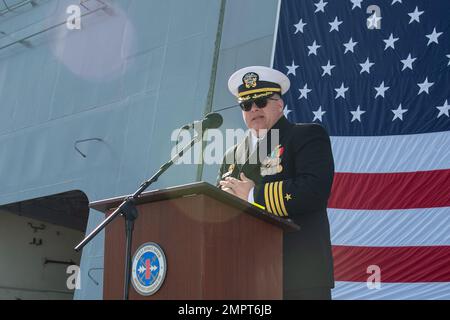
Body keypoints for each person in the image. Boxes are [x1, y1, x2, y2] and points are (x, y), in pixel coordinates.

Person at [217, 66, 335, 300]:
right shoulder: (231, 156)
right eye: (246, 105)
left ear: (279, 104)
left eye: (260, 101)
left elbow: (314, 191)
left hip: (299, 274)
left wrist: (253, 197)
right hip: (245, 276)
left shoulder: (306, 135)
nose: (254, 109)